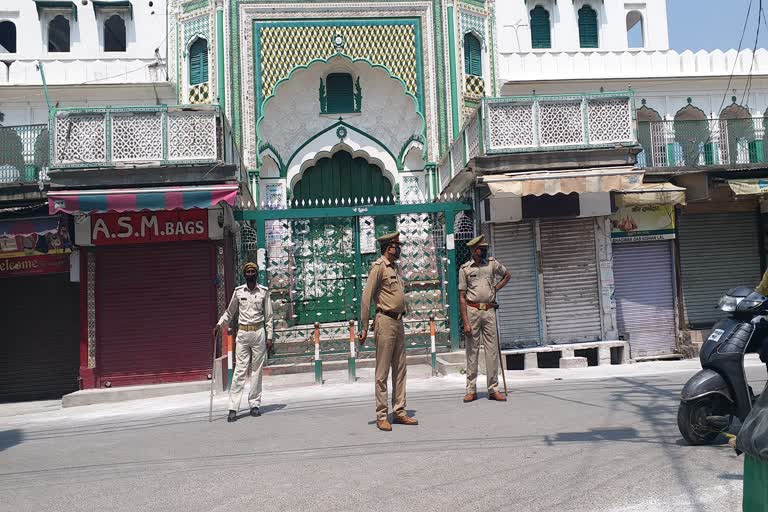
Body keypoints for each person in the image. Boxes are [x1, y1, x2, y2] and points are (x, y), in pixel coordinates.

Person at [359, 231, 418, 431]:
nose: (398, 248)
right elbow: (366, 298)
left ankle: (400, 411)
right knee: (382, 371)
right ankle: (382, 415)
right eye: (396, 245)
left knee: (400, 369)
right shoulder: (378, 268)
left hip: (398, 322)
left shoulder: (394, 268)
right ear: (388, 248)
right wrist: (364, 326)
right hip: (384, 321)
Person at [214, 262, 273, 423]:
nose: (251, 273)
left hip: (259, 332)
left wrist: (270, 337)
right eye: (248, 271)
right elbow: (230, 312)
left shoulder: (264, 292)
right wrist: (220, 325)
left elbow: (269, 316)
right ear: (244, 274)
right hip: (243, 333)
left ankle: (254, 404)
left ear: (257, 274)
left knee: (256, 371)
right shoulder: (239, 292)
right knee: (240, 371)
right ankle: (233, 408)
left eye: (253, 271)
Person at [459, 234, 511, 403]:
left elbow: (507, 275)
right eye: (479, 249)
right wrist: (465, 322)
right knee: (472, 351)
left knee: (492, 351)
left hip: (489, 311)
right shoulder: (465, 269)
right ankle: (471, 389)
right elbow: (461, 297)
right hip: (472, 310)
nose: (482, 251)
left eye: (483, 248)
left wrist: (495, 289)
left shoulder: (491, 264)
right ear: (473, 250)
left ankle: (493, 389)